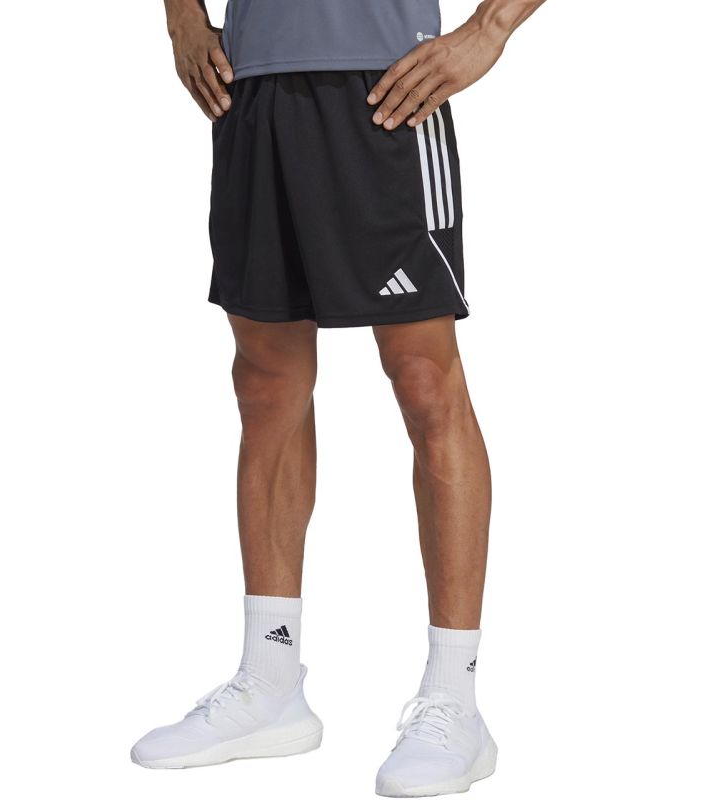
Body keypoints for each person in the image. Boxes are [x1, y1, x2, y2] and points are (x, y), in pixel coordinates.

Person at [131, 0, 545, 795]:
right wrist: (181, 14)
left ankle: (455, 701)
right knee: (266, 382)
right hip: (253, 84)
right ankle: (271, 679)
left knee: (424, 380)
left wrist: (490, 26)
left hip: (386, 85)